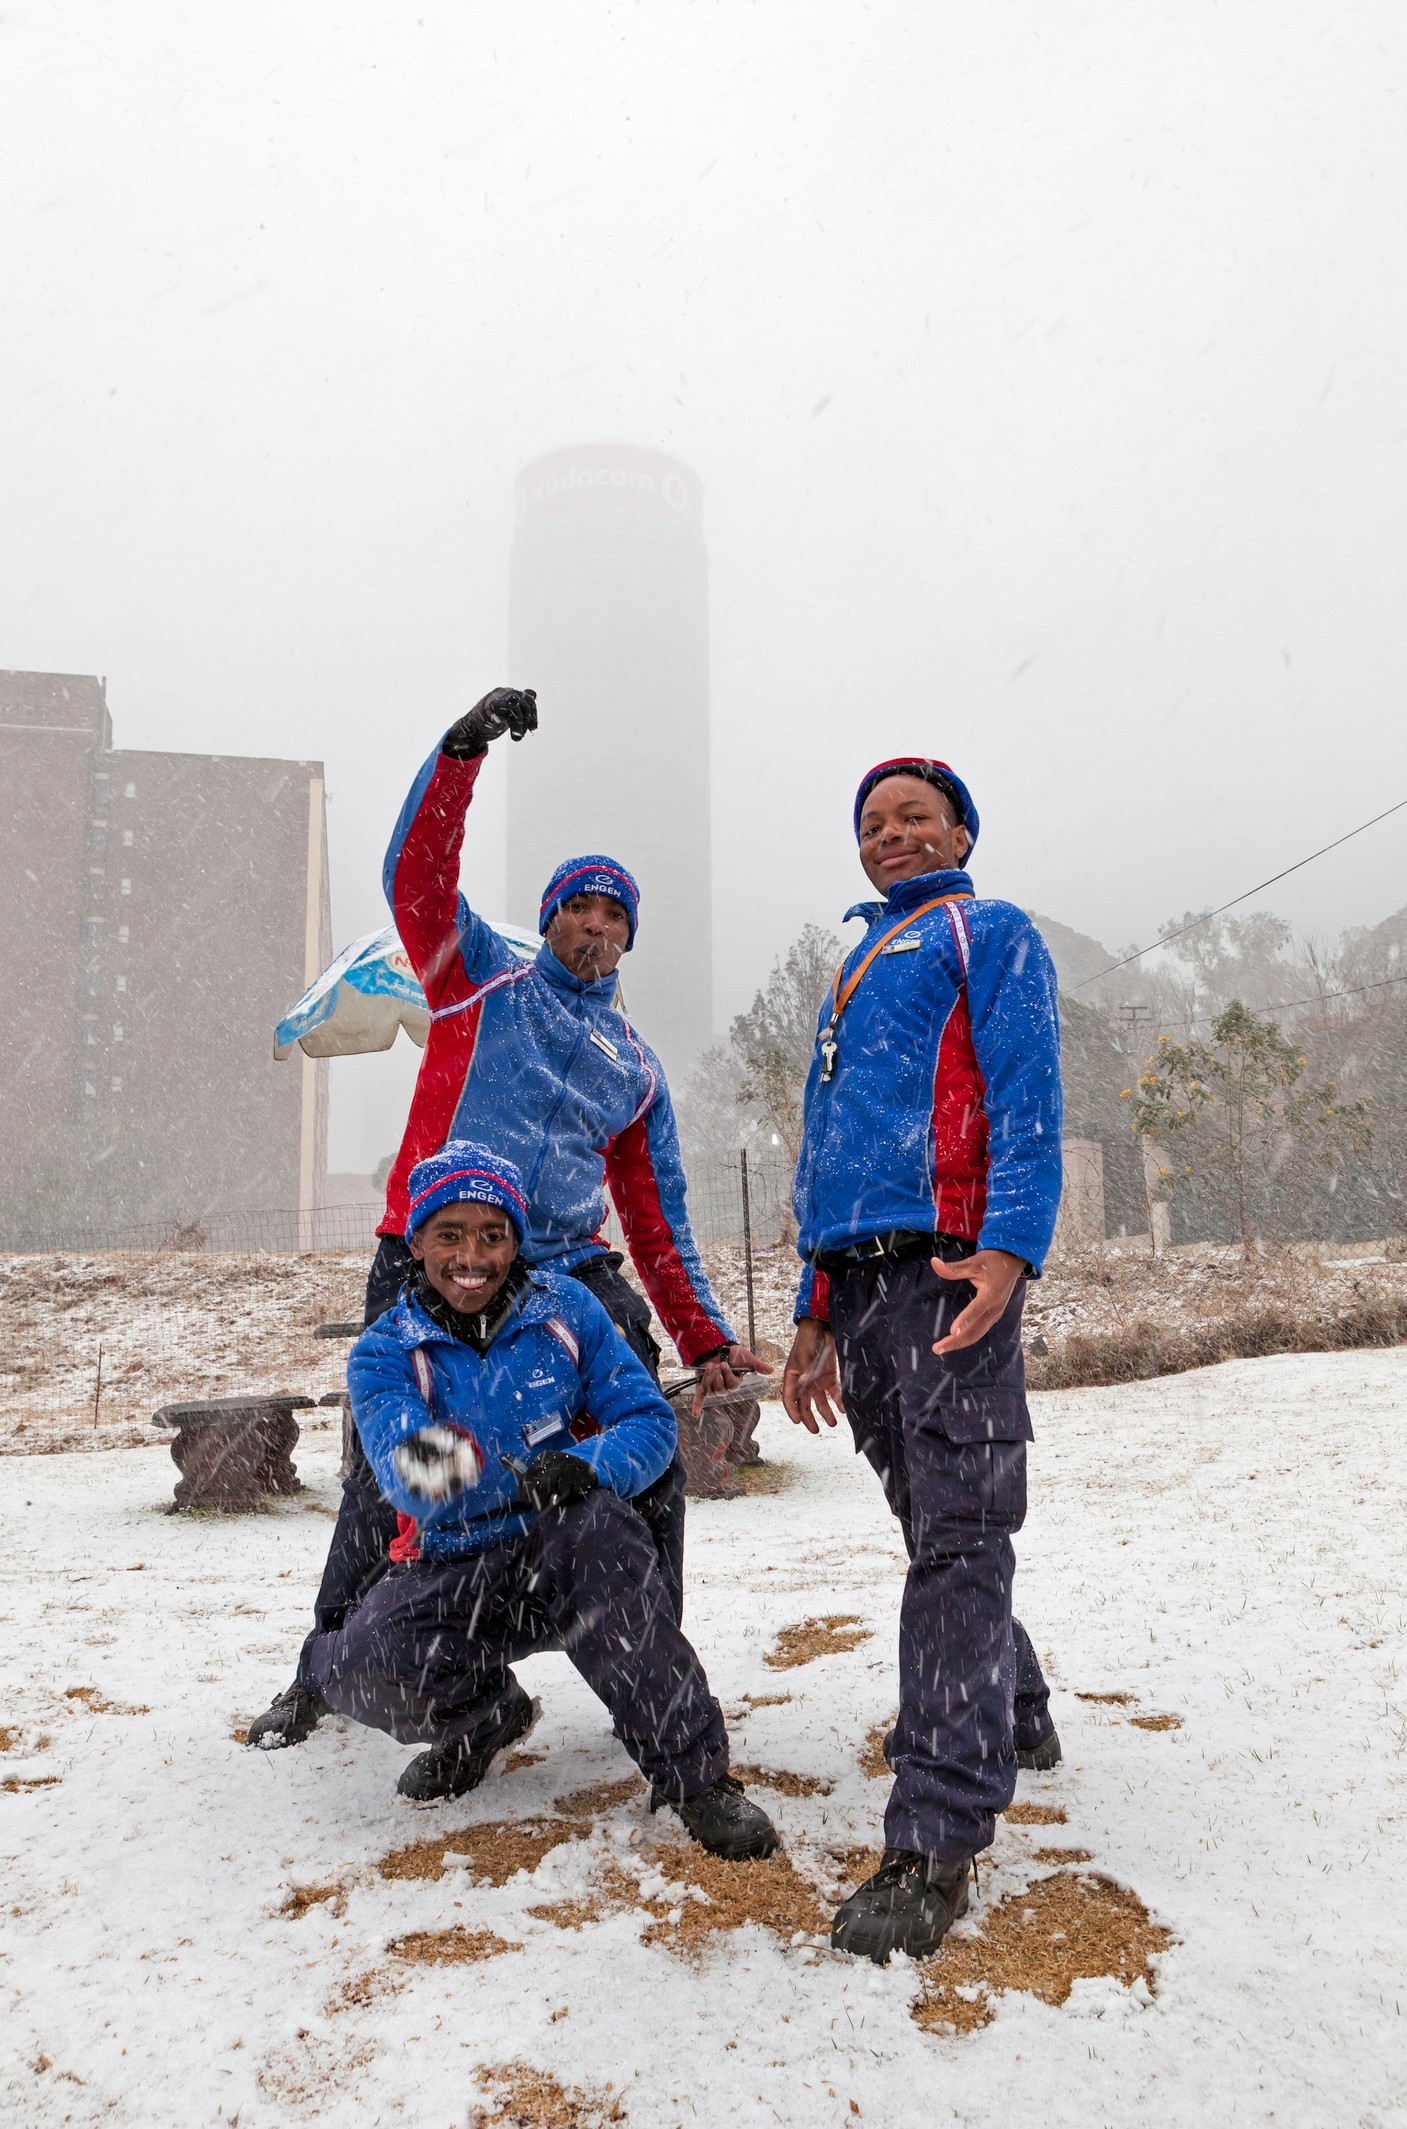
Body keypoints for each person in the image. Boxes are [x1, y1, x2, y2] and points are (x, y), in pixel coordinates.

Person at [249, 687, 764, 1750]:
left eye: (614, 912)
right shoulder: (474, 974)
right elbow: (416, 876)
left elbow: (656, 1218)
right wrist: (461, 751)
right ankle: (333, 1658)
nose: (594, 923)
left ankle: (646, 1665)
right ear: (548, 919)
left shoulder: (635, 1067)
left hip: (565, 1275)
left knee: (645, 1452)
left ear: (629, 938)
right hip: (428, 1260)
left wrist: (705, 1336)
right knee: (388, 1469)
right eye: (578, 904)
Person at [301, 1140, 779, 1855]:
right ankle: (482, 1716)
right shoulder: (384, 1350)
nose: (473, 1255)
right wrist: (509, 1465)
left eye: (493, 1235)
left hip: (568, 1547)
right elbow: (408, 1471)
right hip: (454, 1565)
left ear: (516, 1241)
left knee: (605, 1536)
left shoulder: (570, 1309)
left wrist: (585, 1467)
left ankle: (693, 1777)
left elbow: (647, 1421)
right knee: (351, 1663)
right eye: (450, 1234)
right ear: (417, 1242)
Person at [782, 754, 1063, 1964]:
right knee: (939, 1525)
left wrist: (1008, 1246)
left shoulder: (985, 931)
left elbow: (1029, 1091)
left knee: (957, 1536)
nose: (889, 835)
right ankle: (1021, 1710)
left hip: (952, 1265)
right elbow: (826, 1153)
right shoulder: (853, 965)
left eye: (912, 816)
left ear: (958, 830)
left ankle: (936, 1833)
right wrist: (813, 1305)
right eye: (871, 822)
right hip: (862, 1285)